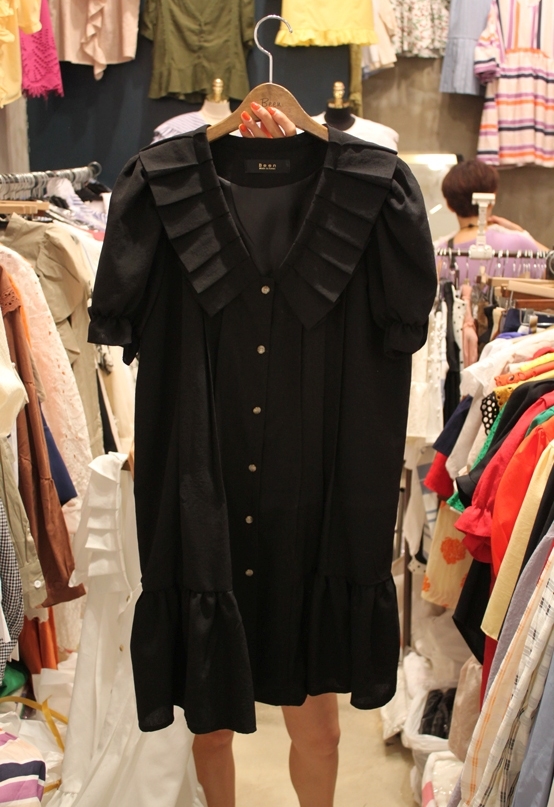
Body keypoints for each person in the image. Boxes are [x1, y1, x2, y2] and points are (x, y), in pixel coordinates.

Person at [192, 102, 340, 807]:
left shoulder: (360, 199)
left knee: (321, 729)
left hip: (306, 502)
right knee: (211, 721)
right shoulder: (172, 194)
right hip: (207, 487)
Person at [434, 159, 548, 252]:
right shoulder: (519, 243)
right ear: (492, 198)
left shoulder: (437, 251)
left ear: (449, 205)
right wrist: (521, 233)